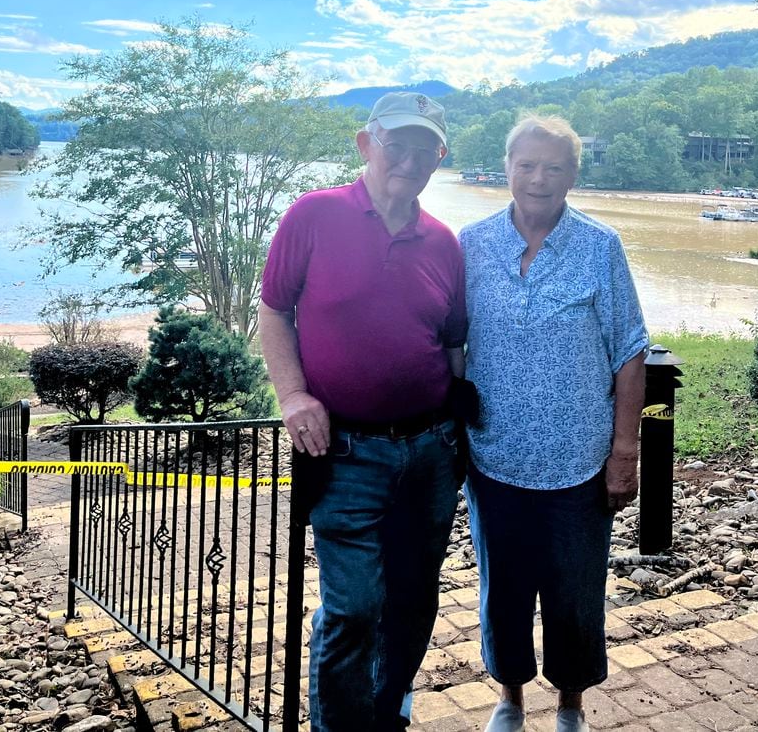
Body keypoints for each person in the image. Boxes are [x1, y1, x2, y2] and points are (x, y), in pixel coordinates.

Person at [258, 92, 466, 732]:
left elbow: (453, 341)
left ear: (440, 157)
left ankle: (387, 711)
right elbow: (273, 311)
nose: (408, 158)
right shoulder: (313, 216)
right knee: (353, 607)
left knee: (413, 596)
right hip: (343, 451)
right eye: (395, 142)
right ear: (364, 143)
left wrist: (460, 425)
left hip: (431, 451)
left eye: (423, 147)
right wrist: (293, 396)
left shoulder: (443, 242)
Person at [459, 116, 648, 732]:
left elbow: (629, 351)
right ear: (507, 166)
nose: (539, 178)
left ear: (573, 174)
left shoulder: (601, 246)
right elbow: (450, 342)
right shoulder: (471, 243)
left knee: (574, 592)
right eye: (528, 164)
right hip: (494, 456)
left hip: (578, 459)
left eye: (555, 166)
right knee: (502, 589)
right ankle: (510, 696)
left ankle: (570, 703)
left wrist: (626, 451)